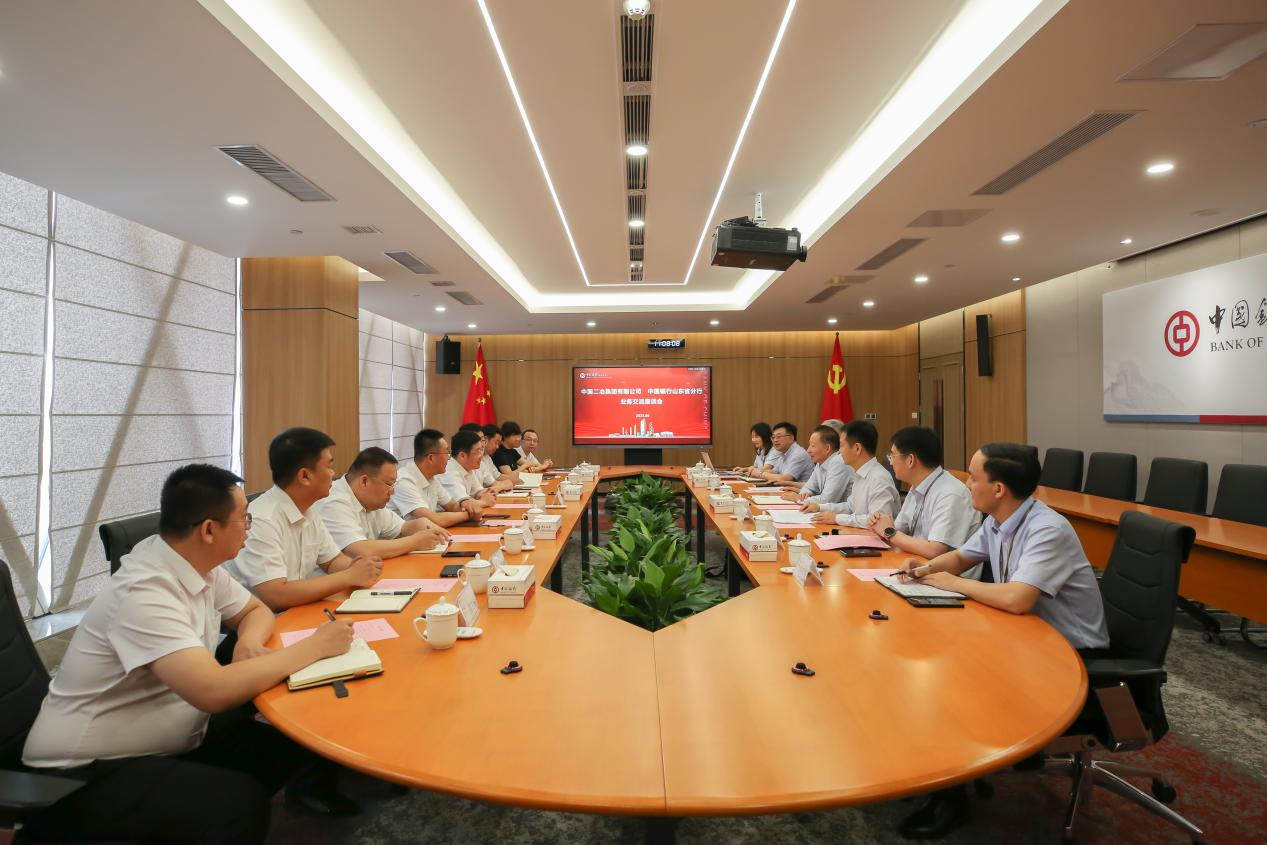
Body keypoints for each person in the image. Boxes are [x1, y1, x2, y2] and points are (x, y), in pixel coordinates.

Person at [21, 464, 360, 843]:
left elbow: (255, 610)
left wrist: (248, 642)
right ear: (209, 530)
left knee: (289, 742)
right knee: (237, 804)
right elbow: (212, 691)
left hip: (173, 731)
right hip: (85, 770)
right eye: (244, 519)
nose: (249, 528)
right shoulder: (144, 591)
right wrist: (315, 647)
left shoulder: (196, 563)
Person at [891, 443, 1109, 838]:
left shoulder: (1047, 528)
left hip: (1072, 655)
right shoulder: (998, 519)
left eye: (973, 477)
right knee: (932, 657)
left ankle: (950, 794)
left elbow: (1018, 598)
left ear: (998, 489)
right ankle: (941, 770)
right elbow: (961, 557)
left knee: (950, 684)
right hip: (1025, 639)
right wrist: (924, 569)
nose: (966, 483)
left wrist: (951, 583)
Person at [223, 427, 384, 612]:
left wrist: (359, 567)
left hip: (296, 611)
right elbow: (276, 595)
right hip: (264, 618)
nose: (333, 473)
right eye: (328, 466)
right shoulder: (262, 519)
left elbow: (332, 561)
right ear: (305, 476)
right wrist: (349, 576)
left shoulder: (308, 510)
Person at [865, 426, 978, 572]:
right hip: (917, 565)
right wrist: (880, 524)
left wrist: (889, 532)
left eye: (892, 455)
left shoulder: (951, 494)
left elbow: (935, 550)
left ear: (910, 460)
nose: (890, 462)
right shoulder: (917, 486)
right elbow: (899, 529)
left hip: (948, 576)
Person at [311, 446, 449, 558]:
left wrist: (421, 524)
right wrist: (414, 542)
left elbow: (402, 529)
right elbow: (359, 550)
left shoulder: (372, 503)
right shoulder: (333, 502)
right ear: (365, 481)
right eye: (389, 484)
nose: (392, 491)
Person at [806, 420, 900, 526]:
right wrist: (820, 507)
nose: (839, 452)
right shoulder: (860, 473)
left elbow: (879, 521)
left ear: (857, 448)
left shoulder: (879, 478)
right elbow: (850, 507)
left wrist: (837, 518)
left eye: (841, 446)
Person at [390, 428, 482, 528]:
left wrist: (466, 503)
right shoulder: (404, 481)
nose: (449, 458)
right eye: (447, 453)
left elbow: (453, 506)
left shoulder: (431, 478)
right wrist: (468, 515)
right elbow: (435, 520)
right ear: (431, 458)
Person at [780, 425, 852, 505]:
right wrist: (805, 494)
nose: (808, 450)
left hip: (843, 511)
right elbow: (808, 487)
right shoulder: (820, 462)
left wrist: (798, 498)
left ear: (827, 448)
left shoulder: (838, 462)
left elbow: (828, 500)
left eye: (813, 446)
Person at [439, 429, 498, 508]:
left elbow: (478, 492)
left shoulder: (468, 468)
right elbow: (464, 504)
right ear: (462, 456)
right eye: (478, 451)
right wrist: (483, 502)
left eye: (481, 450)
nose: (481, 456)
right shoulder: (448, 471)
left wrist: (488, 493)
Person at [478, 424, 516, 490]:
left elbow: (497, 476)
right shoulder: (476, 459)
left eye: (499, 444)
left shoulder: (487, 457)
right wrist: (503, 485)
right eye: (496, 442)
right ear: (486, 440)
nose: (497, 447)